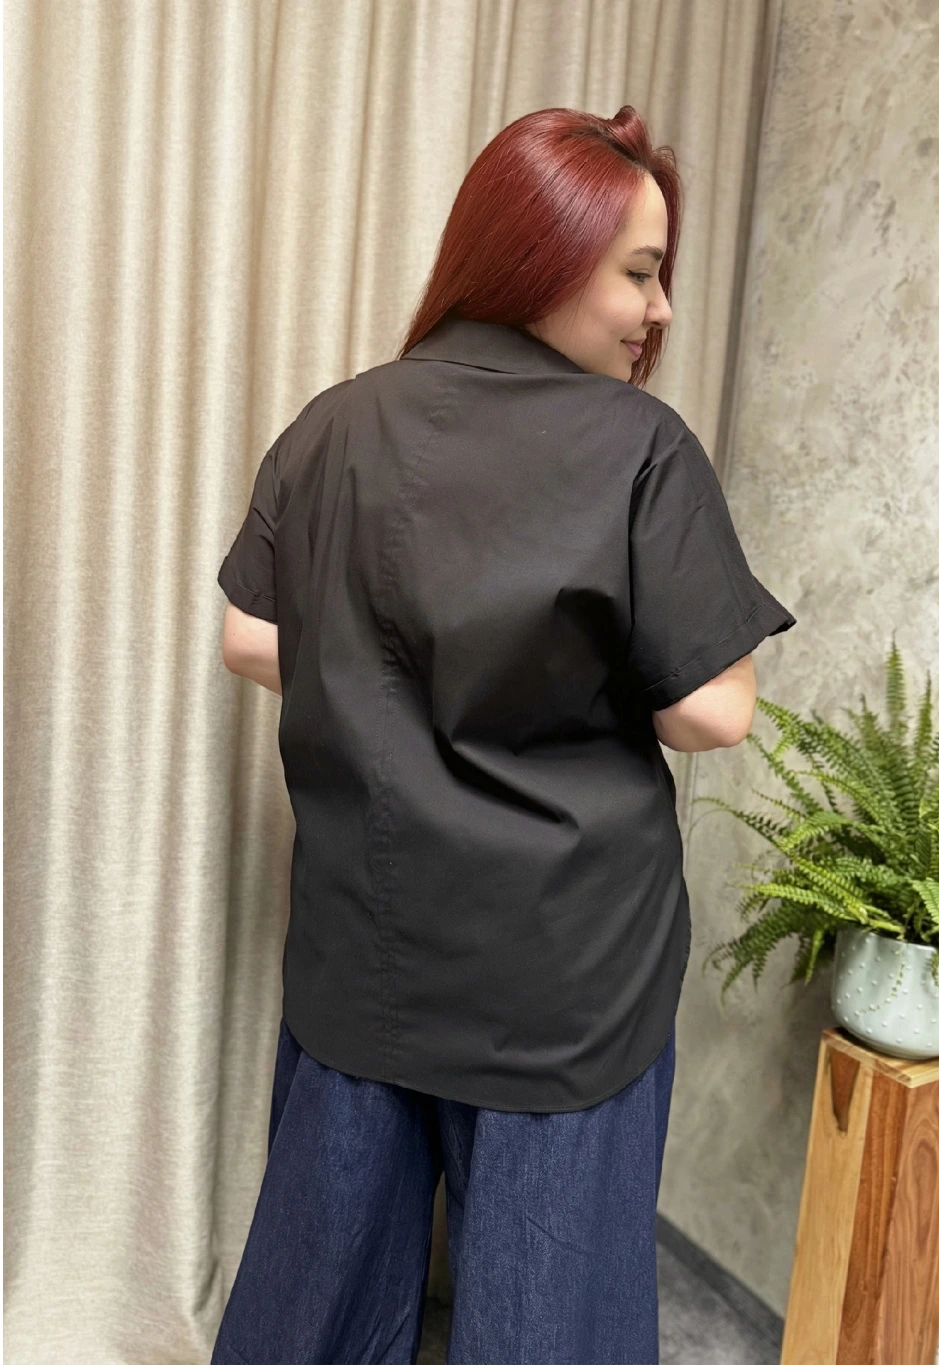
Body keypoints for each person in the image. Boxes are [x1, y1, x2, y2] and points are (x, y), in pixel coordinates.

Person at [211, 104, 797, 1365]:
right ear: (543, 254)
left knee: (313, 1315)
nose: (659, 310)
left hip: (367, 958)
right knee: (544, 1329)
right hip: (560, 989)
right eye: (639, 272)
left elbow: (249, 639)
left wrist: (388, 672)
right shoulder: (638, 447)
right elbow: (714, 709)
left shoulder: (337, 423)